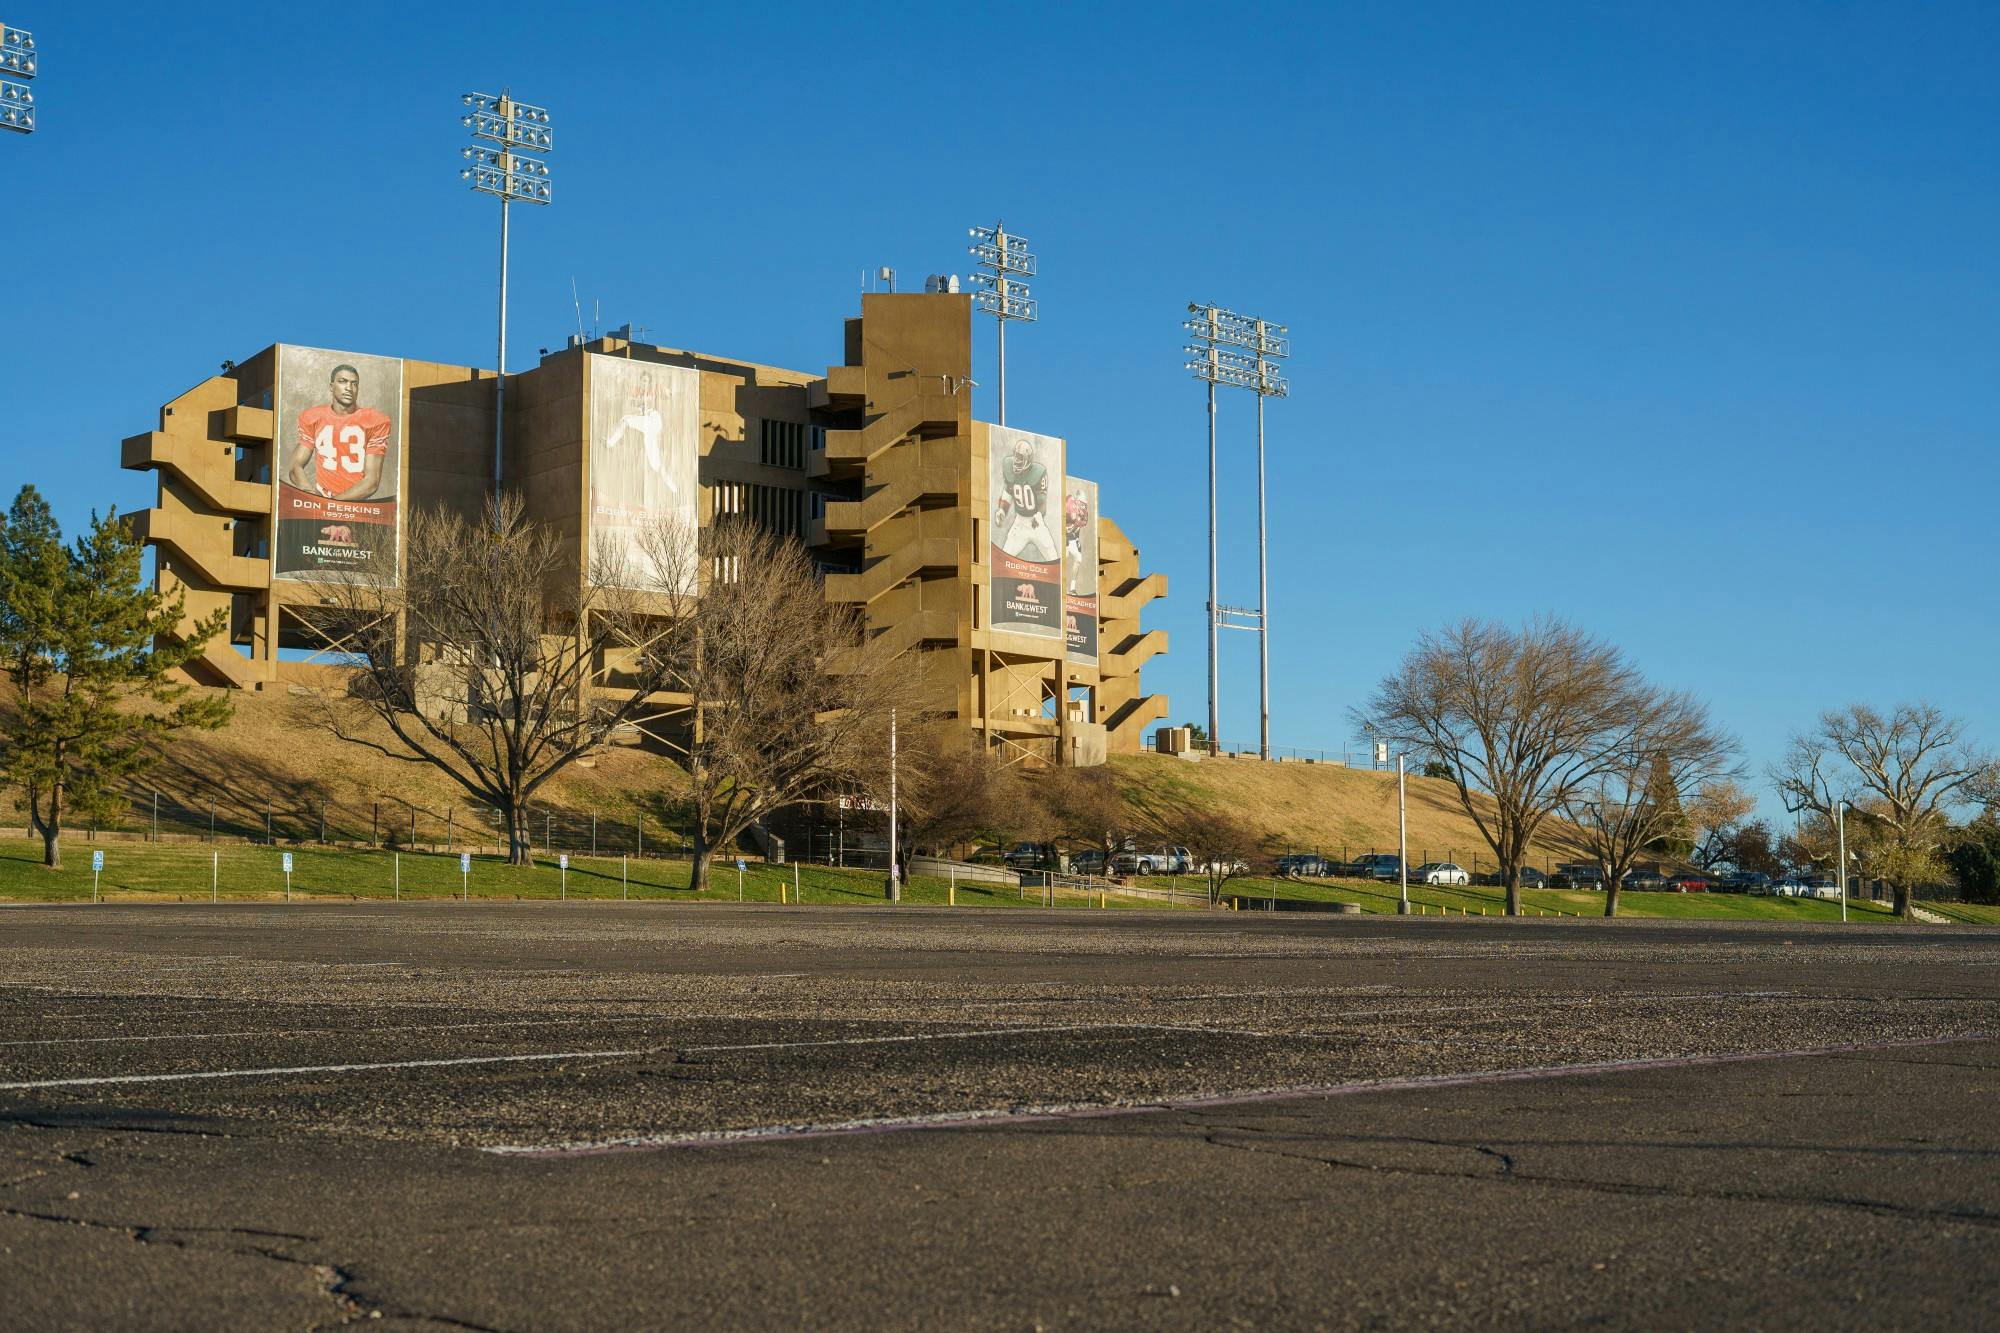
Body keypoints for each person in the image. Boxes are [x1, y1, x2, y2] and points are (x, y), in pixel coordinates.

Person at [289, 364, 392, 501]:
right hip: (322, 500)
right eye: (343, 381)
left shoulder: (375, 421)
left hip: (357, 504)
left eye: (354, 383)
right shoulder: (313, 417)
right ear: (331, 386)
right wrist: (311, 493)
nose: (349, 388)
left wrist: (332, 504)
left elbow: (371, 482)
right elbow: (295, 466)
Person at [995, 438, 1057, 561]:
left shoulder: (1038, 473)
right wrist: (1002, 510)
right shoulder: (1009, 466)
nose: (1016, 460)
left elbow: (1042, 502)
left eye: (1020, 457)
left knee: (1053, 559)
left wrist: (1039, 515)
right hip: (1020, 522)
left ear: (1028, 459)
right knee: (1004, 559)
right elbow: (1008, 491)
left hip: (1035, 524)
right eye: (1016, 456)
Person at [1063, 490, 1090, 593]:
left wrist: (1076, 537)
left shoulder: (1082, 511)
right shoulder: (1069, 503)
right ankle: (1062, 584)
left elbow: (1080, 523)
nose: (1082, 506)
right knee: (1064, 558)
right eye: (1081, 503)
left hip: (1073, 538)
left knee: (1078, 559)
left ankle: (1072, 588)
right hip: (1065, 536)